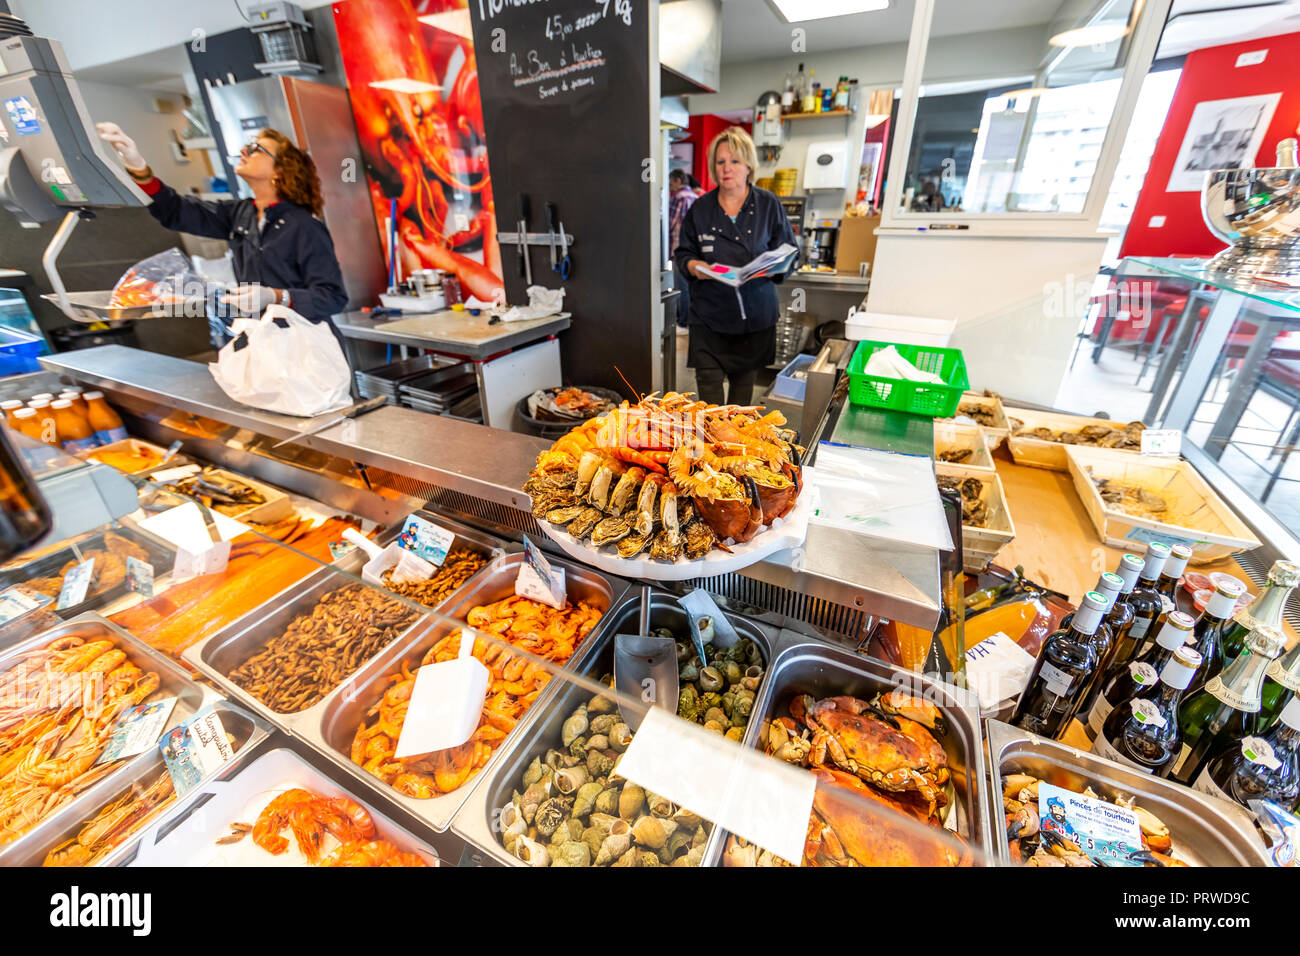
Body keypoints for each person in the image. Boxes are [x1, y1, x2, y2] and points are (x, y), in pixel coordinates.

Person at [96, 122, 348, 349]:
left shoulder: (305, 226)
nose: (244, 152)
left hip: (305, 346)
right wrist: (137, 165)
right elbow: (177, 211)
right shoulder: (240, 213)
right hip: (262, 342)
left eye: (256, 149)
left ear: (279, 171)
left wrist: (277, 296)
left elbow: (333, 297)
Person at [674, 128, 798, 406]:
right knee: (710, 405)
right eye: (720, 162)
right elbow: (683, 253)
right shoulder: (701, 209)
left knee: (741, 403)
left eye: (735, 161)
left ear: (749, 166)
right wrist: (695, 266)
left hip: (753, 320)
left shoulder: (768, 204)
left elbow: (790, 251)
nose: (727, 168)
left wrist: (773, 266)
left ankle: (738, 449)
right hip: (708, 317)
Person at [668, 169, 699, 334]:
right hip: (695, 252)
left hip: (678, 249)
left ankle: (683, 321)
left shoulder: (678, 199)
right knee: (690, 287)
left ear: (679, 181)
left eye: (671, 182)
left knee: (681, 287)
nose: (670, 186)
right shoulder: (696, 198)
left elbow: (669, 223)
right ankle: (688, 320)